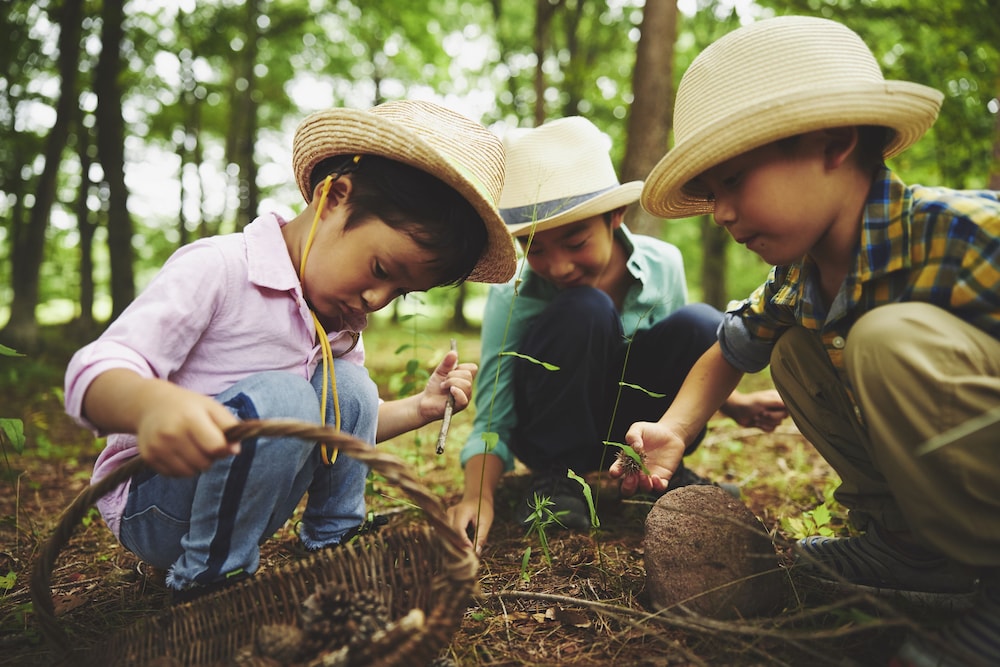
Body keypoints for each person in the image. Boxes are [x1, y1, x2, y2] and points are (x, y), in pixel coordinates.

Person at [610, 15, 1000, 667]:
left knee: (885, 340)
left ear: (834, 142)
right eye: (708, 196)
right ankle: (910, 546)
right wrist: (676, 428)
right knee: (790, 348)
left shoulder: (964, 232)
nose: (722, 213)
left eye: (733, 179)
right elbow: (730, 349)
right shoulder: (798, 281)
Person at [64, 100, 517, 602]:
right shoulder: (220, 269)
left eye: (401, 293)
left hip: (247, 506)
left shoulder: (339, 321)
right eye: (383, 270)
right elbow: (92, 372)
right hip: (157, 500)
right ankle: (210, 584)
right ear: (334, 196)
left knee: (350, 388)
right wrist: (152, 407)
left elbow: (340, 426)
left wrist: (421, 409)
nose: (376, 300)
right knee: (285, 397)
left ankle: (332, 543)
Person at [447, 116, 787, 554]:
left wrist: (733, 404)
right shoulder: (513, 293)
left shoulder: (663, 263)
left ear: (614, 217)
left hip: (628, 432)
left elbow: (674, 363)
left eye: (575, 242)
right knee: (585, 307)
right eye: (536, 249)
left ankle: (655, 471)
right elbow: (494, 415)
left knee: (702, 324)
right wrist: (478, 494)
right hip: (551, 427)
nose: (559, 266)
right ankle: (557, 480)